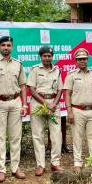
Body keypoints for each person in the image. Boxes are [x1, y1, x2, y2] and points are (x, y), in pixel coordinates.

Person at [0, 36, 27, 182]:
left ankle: (15, 168)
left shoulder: (18, 64)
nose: (6, 47)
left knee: (16, 136)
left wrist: (24, 104)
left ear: (12, 47)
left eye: (9, 45)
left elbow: (22, 86)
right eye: (3, 45)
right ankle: (1, 169)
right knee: (0, 136)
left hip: (15, 101)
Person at [64, 48, 92, 172]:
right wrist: (69, 111)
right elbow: (67, 94)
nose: (82, 61)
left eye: (84, 59)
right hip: (77, 110)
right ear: (76, 61)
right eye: (80, 59)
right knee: (77, 137)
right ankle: (77, 162)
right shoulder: (71, 75)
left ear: (87, 60)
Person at [27, 45, 63, 176]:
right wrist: (45, 104)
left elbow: (60, 89)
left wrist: (54, 104)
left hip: (54, 104)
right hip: (38, 103)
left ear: (52, 57)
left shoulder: (57, 70)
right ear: (40, 57)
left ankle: (55, 163)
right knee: (38, 135)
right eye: (44, 56)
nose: (47, 58)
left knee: (56, 135)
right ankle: (40, 165)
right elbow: (31, 89)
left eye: (49, 56)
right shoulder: (35, 70)